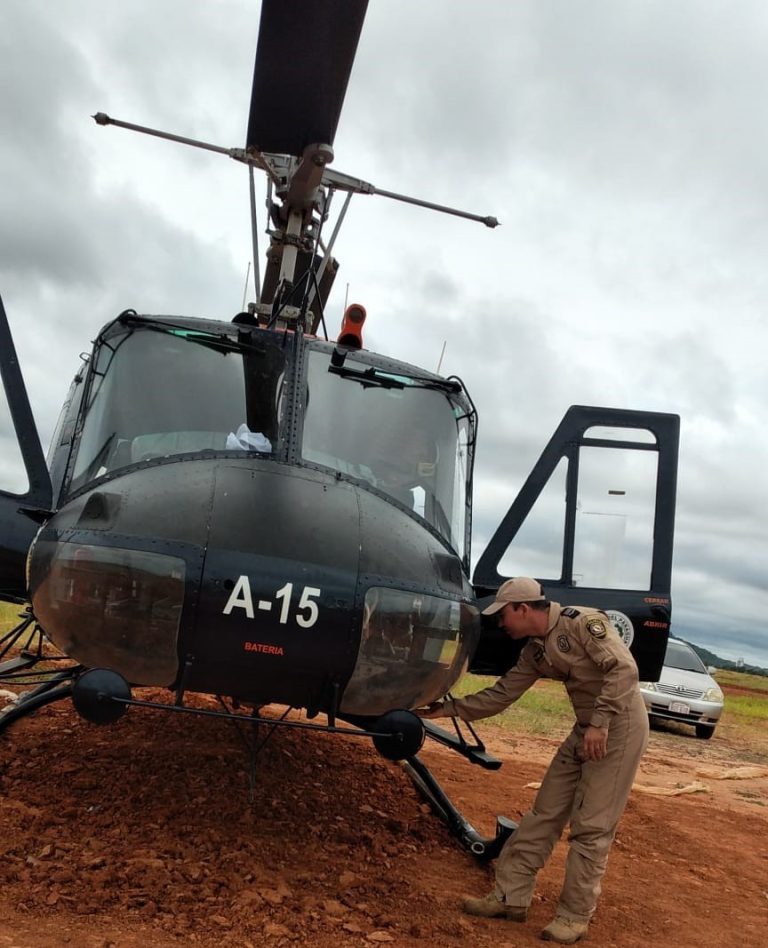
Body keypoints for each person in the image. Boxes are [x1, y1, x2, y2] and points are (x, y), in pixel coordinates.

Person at [416, 577, 648, 945]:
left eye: (504, 615)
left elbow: (624, 670)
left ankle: (573, 917)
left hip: (618, 727)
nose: (501, 623)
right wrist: (448, 709)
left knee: (591, 826)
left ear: (523, 608)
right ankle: (510, 898)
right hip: (586, 728)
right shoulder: (534, 651)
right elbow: (501, 695)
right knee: (545, 812)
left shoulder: (583, 623)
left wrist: (601, 724)